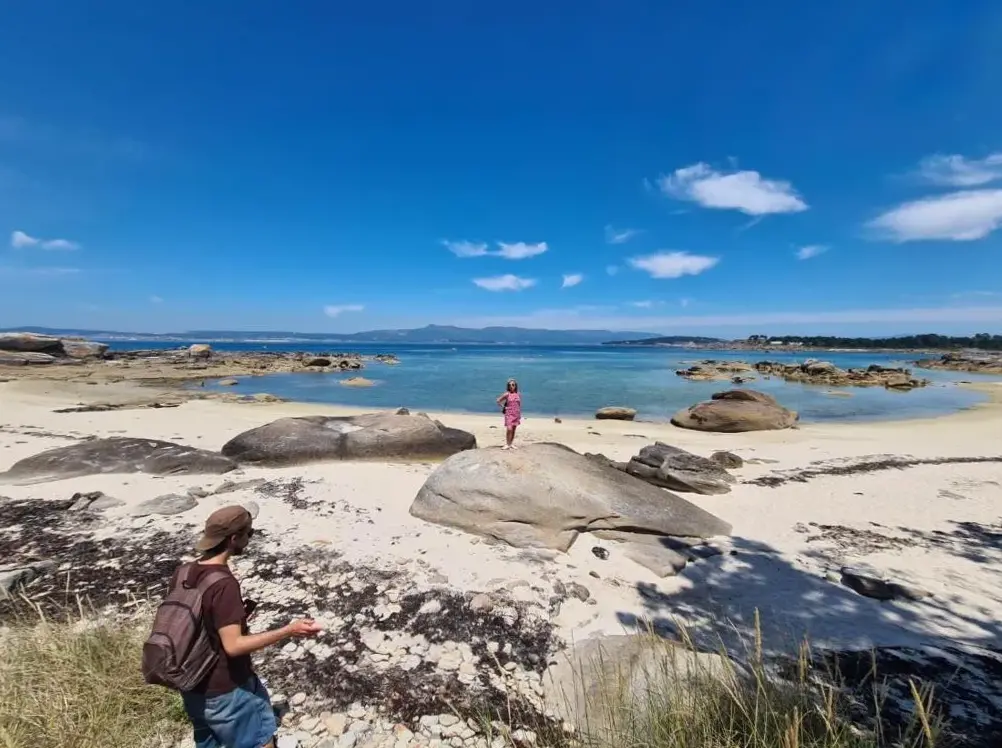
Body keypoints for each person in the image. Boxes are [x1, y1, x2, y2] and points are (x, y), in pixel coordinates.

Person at [175, 505, 323, 748]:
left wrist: (234, 618)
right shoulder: (223, 584)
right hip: (226, 688)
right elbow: (233, 646)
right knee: (259, 740)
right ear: (234, 539)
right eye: (249, 533)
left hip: (192, 684)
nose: (250, 539)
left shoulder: (183, 572)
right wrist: (289, 630)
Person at [496, 378, 522, 450]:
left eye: (513, 385)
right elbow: (498, 400)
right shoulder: (507, 394)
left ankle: (511, 444)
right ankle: (507, 444)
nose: (511, 386)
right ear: (508, 386)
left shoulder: (518, 394)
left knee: (513, 429)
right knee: (509, 429)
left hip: (516, 414)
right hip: (509, 414)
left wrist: (519, 412)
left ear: (515, 386)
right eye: (510, 385)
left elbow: (519, 404)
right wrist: (504, 407)